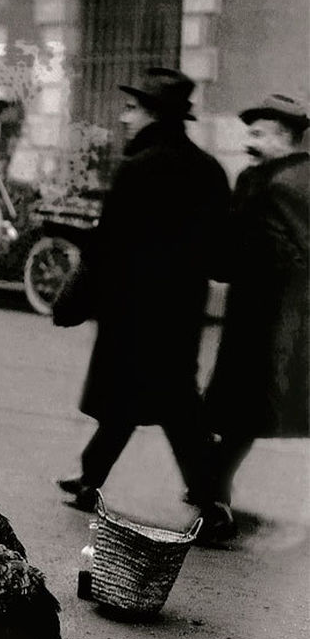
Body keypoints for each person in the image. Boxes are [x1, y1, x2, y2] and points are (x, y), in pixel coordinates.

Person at [52, 68, 233, 539]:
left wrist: (74, 299)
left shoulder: (139, 168)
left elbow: (107, 245)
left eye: (131, 108)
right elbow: (222, 254)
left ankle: (211, 501)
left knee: (144, 401)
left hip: (132, 308)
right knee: (163, 401)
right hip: (179, 309)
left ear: (153, 113)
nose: (123, 116)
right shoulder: (209, 170)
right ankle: (95, 479)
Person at [202, 94, 310, 538]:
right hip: (261, 313)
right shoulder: (269, 177)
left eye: (258, 133)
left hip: (276, 316)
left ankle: (212, 491)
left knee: (247, 406)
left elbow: (290, 249)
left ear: (285, 136)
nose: (249, 140)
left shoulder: (284, 184)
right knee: (242, 409)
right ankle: (212, 487)